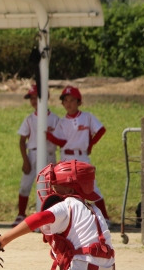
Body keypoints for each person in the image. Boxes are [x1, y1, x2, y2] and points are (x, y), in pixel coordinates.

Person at [0, 160, 115, 270]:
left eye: (56, 184)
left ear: (70, 188)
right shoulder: (95, 209)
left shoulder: (68, 204)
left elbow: (39, 218)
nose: (52, 188)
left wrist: (3, 240)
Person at [47, 86, 111, 224]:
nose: (69, 103)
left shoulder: (87, 117)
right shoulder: (62, 121)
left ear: (79, 102)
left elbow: (101, 130)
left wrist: (91, 144)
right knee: (65, 187)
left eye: (72, 100)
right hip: (67, 156)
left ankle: (104, 218)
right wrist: (49, 136)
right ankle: (67, 218)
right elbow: (62, 142)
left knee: (91, 186)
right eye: (65, 100)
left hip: (82, 156)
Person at [11, 85, 60, 227]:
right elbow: (22, 140)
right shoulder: (29, 119)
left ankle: (48, 215)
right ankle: (21, 214)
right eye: (31, 98)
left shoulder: (55, 119)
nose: (33, 101)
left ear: (46, 97)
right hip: (33, 153)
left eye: (36, 97)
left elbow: (61, 138)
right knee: (25, 185)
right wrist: (25, 160)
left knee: (48, 187)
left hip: (49, 154)